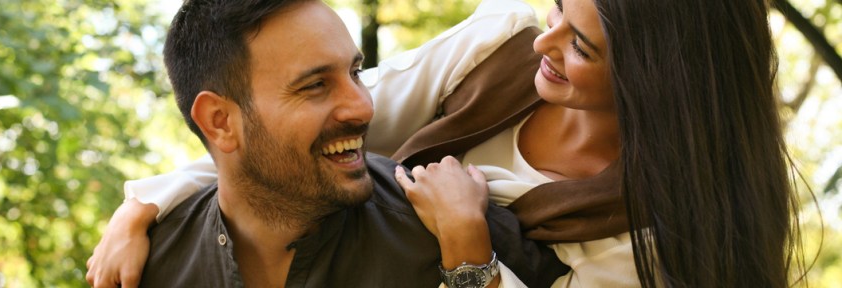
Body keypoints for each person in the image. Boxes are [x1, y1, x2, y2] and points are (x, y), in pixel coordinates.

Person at [89, 0, 803, 286]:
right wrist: (150, 204)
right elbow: (288, 132)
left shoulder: (659, 236)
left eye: (579, 43)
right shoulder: (508, 43)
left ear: (656, 79)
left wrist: (468, 249)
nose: (544, 39)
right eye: (558, 7)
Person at [102, 0, 569, 287]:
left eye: (356, 73)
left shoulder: (464, 233)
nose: (363, 107)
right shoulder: (149, 266)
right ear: (220, 121)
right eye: (314, 86)